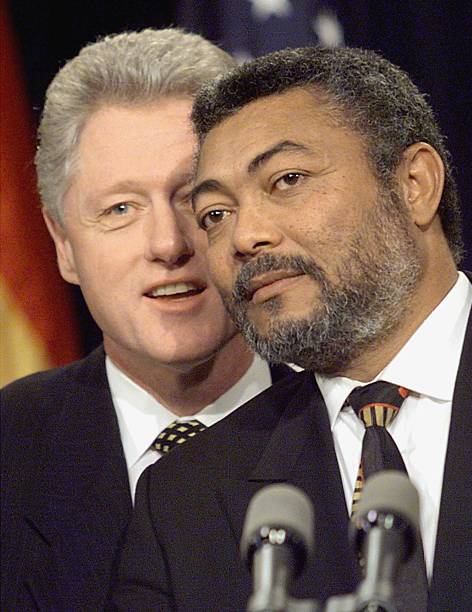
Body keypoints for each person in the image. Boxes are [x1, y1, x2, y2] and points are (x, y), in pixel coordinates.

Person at [111, 47, 472, 611]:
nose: (245, 236)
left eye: (287, 179)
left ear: (415, 184)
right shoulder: (184, 501)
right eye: (216, 214)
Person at [0, 29, 292, 611]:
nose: (167, 244)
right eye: (120, 209)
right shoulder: (10, 454)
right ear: (62, 244)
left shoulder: (363, 430)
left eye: (193, 199)